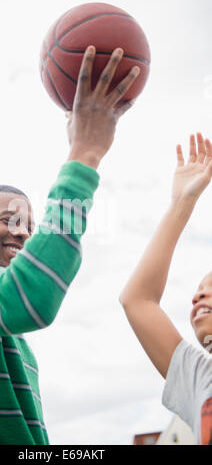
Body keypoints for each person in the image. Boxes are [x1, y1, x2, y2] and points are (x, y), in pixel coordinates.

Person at [0, 46, 140, 445]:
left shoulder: (10, 337)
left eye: (30, 227)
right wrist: (84, 154)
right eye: (9, 220)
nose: (22, 233)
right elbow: (29, 297)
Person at [119, 133, 212, 445]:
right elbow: (137, 300)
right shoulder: (201, 377)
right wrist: (182, 202)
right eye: (199, 288)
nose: (199, 295)